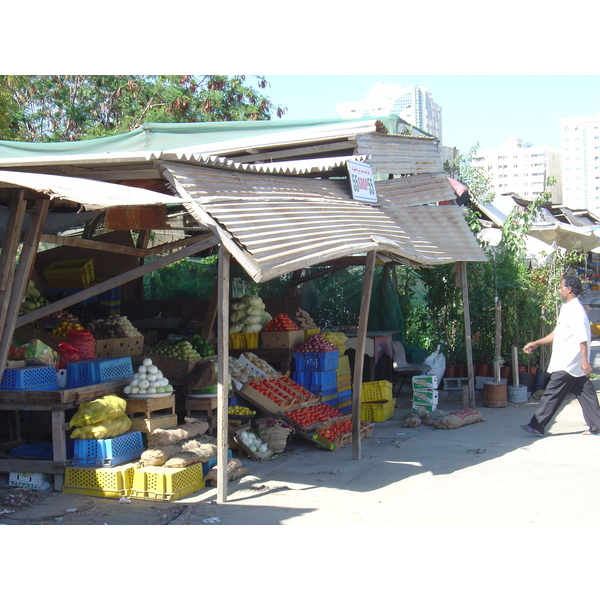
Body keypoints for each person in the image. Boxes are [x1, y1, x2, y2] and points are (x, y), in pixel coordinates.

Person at [521, 273, 600, 437]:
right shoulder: (569, 308)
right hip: (572, 362)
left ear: (569, 289)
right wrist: (537, 343)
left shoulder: (576, 310)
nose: (559, 290)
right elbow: (558, 333)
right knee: (586, 393)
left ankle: (537, 424)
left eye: (560, 287)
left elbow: (582, 337)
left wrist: (585, 361)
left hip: (569, 360)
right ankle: (597, 425)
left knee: (552, 393)